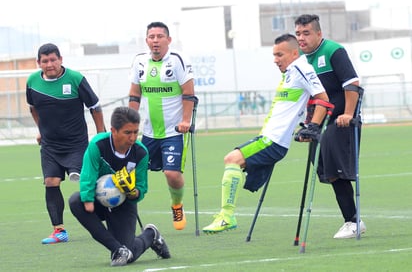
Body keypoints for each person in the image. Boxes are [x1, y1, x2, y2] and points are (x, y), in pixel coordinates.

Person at [203, 34, 330, 233]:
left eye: (279, 55)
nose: (275, 60)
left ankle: (227, 216)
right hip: (269, 138)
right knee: (234, 162)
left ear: (294, 53)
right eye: (274, 55)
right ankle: (225, 215)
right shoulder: (290, 72)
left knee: (231, 159)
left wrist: (313, 126)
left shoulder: (301, 67)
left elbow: (323, 98)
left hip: (274, 141)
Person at [69, 107, 170, 267]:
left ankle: (151, 235)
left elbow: (142, 187)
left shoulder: (141, 152)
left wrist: (132, 192)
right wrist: (88, 200)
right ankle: (117, 249)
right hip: (98, 200)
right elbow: (88, 174)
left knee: (130, 254)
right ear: (113, 131)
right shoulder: (98, 144)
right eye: (127, 132)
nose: (132, 137)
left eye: (136, 132)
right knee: (76, 201)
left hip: (124, 203)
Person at [294, 14, 366, 239]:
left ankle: (353, 221)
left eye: (306, 33)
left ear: (318, 34)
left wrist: (347, 113)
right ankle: (353, 219)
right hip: (319, 122)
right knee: (326, 169)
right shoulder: (302, 61)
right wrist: (308, 124)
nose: (301, 38)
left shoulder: (334, 51)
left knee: (336, 167)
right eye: (298, 34)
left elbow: (351, 84)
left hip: (341, 119)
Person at [26, 43, 106, 244]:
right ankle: (59, 231)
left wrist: (101, 134)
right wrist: (40, 131)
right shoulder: (32, 82)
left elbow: (95, 107)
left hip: (76, 144)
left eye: (53, 59)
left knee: (82, 180)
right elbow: (33, 108)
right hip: (50, 146)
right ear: (39, 63)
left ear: (61, 60)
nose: (50, 64)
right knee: (50, 182)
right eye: (45, 61)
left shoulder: (75, 79)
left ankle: (107, 215)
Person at [128, 21, 195, 230]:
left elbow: (189, 93)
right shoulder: (139, 61)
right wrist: (130, 123)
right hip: (148, 131)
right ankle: (124, 210)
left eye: (159, 36)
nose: (155, 40)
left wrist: (186, 121)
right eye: (151, 37)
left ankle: (177, 205)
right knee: (133, 171)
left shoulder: (177, 60)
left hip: (174, 131)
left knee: (171, 173)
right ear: (147, 40)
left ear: (168, 39)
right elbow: (135, 94)